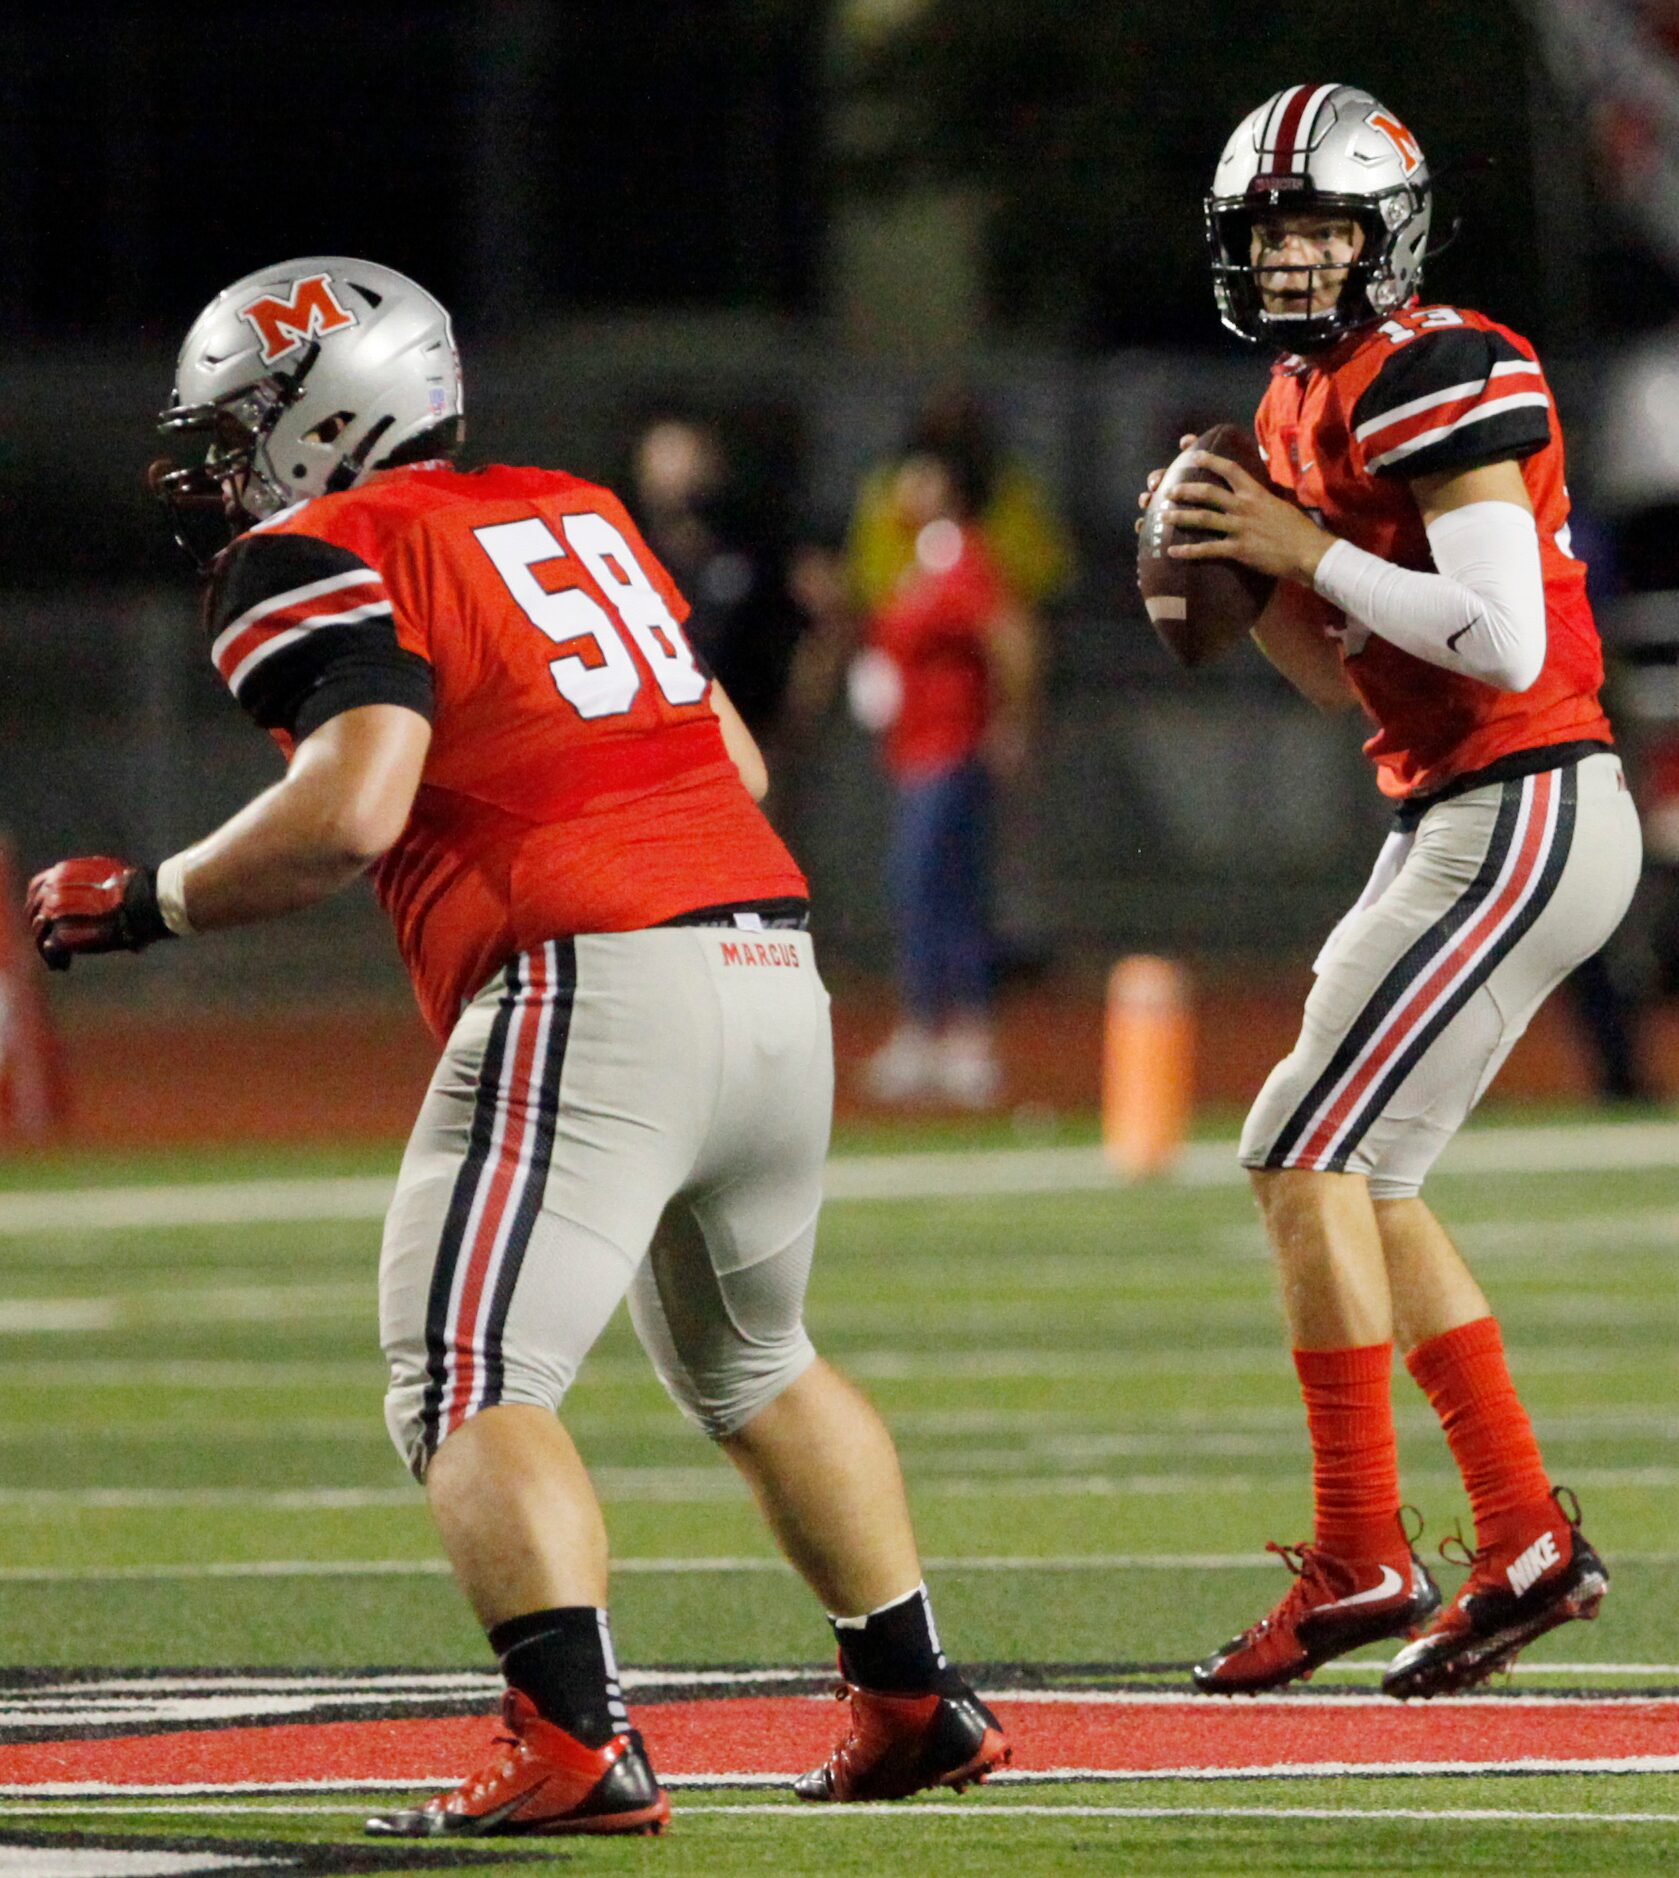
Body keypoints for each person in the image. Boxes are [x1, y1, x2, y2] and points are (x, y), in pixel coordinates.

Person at [26, 258, 1010, 1833]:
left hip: (593, 974)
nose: (223, 468)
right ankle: (908, 1692)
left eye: (242, 425)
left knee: (468, 1367)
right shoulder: (574, 506)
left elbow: (354, 806)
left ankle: (570, 1737)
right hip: (768, 957)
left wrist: (149, 900)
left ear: (331, 410)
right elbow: (734, 759)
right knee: (754, 1358)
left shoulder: (324, 545)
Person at [1138, 88, 1641, 1699]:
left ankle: (1359, 1544)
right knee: (1364, 1176)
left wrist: (1296, 537)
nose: (1292, 261)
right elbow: (1362, 685)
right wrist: (1262, 565)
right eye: (1267, 235)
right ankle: (1518, 1535)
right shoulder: (1295, 402)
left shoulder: (1438, 363)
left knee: (1295, 1143)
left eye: (1320, 230)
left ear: (1387, 235)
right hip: (1454, 804)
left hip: (1523, 799)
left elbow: (1495, 637)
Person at [855, 445, 1038, 1107]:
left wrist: (1010, 721)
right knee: (922, 889)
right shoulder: (921, 558)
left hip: (951, 748)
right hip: (915, 752)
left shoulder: (960, 554)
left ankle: (963, 1034)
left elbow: (1011, 636)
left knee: (937, 885)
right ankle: (925, 1030)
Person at [628, 413, 807, 748]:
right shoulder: (626, 559)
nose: (676, 473)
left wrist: (789, 725)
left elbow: (795, 631)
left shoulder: (751, 551)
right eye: (663, 457)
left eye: (686, 455)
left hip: (748, 741)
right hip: (661, 748)